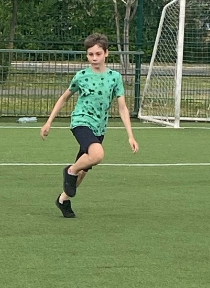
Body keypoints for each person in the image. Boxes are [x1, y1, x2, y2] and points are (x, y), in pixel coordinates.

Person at [40, 33, 139, 218]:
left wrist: (130, 135)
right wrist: (49, 122)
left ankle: (63, 200)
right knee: (97, 155)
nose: (94, 58)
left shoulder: (115, 77)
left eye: (98, 54)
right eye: (90, 54)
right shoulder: (81, 76)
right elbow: (64, 98)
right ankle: (70, 170)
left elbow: (122, 107)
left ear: (106, 53)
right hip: (81, 121)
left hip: (99, 127)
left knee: (83, 171)